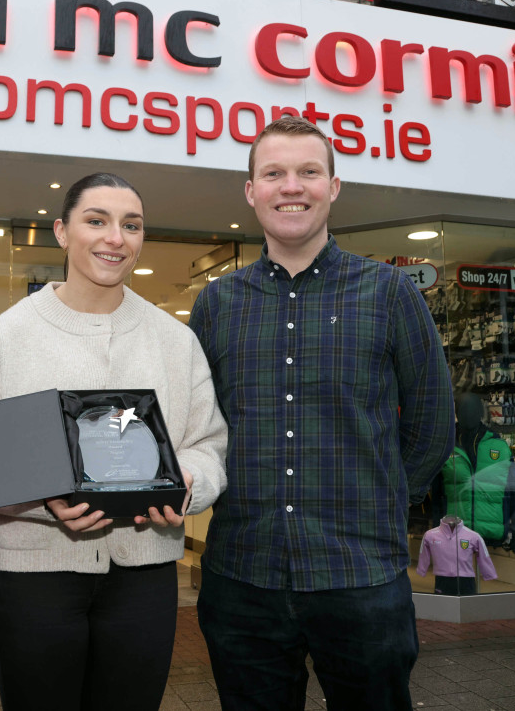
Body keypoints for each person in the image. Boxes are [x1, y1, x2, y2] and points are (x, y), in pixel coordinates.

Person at [189, 116, 454, 710]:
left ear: (332, 187)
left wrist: (382, 501)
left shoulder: (390, 292)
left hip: (361, 576)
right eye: (274, 173)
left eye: (308, 171)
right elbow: (196, 424)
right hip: (242, 577)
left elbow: (433, 426)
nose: (292, 186)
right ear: (251, 190)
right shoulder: (217, 303)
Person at [0, 172, 228, 711]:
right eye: (97, 221)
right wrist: (45, 497)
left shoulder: (175, 340)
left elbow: (207, 443)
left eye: (131, 225)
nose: (115, 238)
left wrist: (189, 483)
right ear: (61, 232)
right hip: (38, 576)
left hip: (145, 575)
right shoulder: (9, 335)